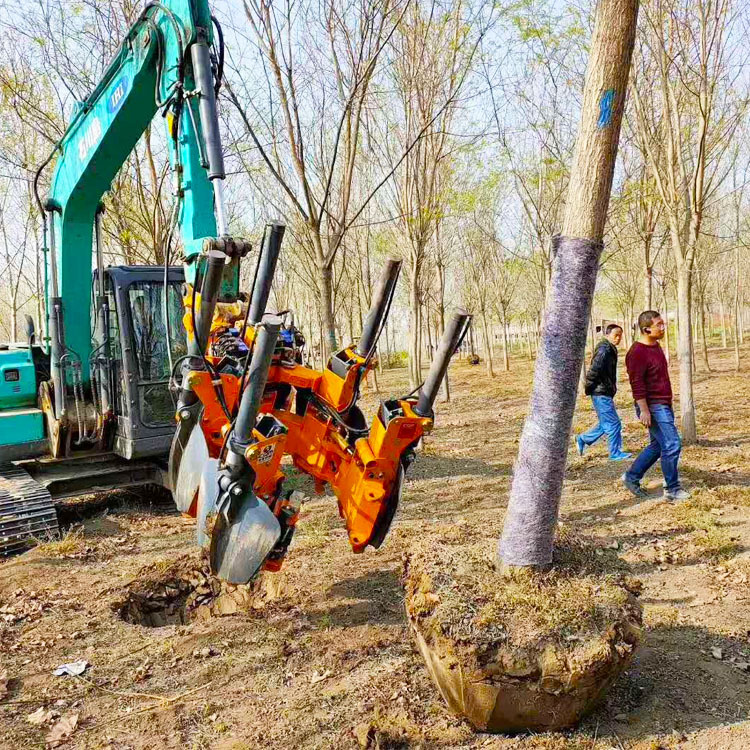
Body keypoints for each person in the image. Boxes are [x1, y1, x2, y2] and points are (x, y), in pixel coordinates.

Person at [622, 310, 690, 501]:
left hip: (663, 403)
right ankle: (672, 489)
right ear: (646, 329)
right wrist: (643, 409)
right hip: (652, 406)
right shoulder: (636, 353)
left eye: (663, 323)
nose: (663, 327)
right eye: (658, 325)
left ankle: (632, 476)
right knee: (672, 443)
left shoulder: (656, 346)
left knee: (658, 445)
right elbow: (637, 384)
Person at [576, 324, 632, 461]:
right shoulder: (604, 349)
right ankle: (615, 453)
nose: (618, 338)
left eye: (620, 336)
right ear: (607, 335)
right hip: (600, 392)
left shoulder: (609, 348)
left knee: (605, 423)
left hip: (603, 391)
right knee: (614, 424)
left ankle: (582, 439)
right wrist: (589, 387)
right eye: (615, 335)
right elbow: (594, 370)